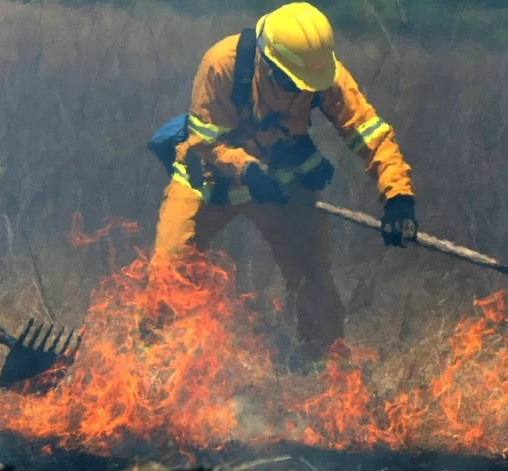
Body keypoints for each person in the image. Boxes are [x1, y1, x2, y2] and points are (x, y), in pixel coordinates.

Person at [146, 2, 417, 373]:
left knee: (313, 277)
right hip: (206, 181)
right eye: (291, 84)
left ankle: (325, 374)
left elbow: (370, 134)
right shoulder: (222, 64)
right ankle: (148, 366)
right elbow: (204, 142)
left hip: (280, 187)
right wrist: (248, 171)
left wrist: (397, 197)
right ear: (266, 62)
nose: (299, 93)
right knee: (169, 267)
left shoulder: (324, 74)